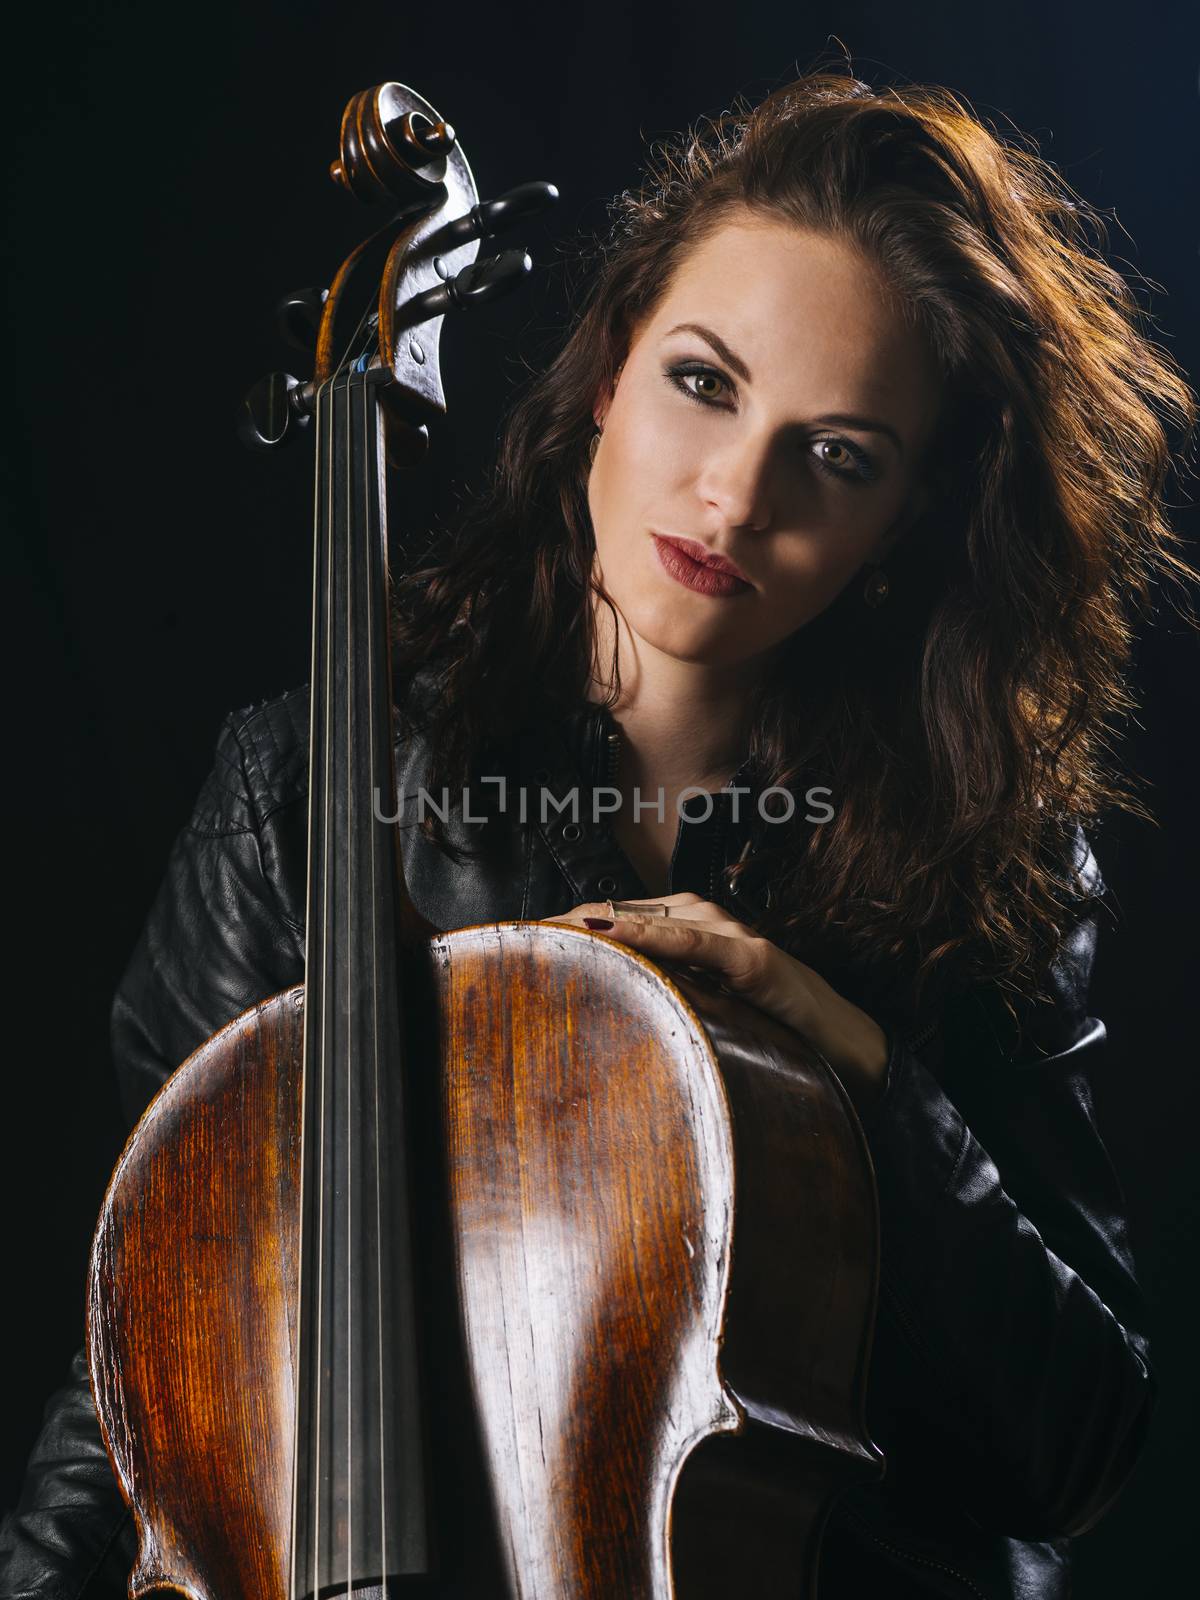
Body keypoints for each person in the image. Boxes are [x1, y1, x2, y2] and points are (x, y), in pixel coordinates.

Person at [2, 68, 1193, 1600]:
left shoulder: (979, 861)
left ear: (904, 526)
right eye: (706, 381)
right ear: (614, 368)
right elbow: (144, 1377)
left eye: (838, 457)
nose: (735, 494)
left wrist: (866, 1076)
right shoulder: (302, 795)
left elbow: (1072, 1448)